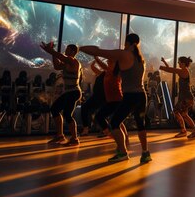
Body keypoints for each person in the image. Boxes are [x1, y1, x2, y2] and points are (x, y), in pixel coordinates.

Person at [80, 33, 151, 164]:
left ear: (127, 43)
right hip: (141, 96)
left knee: (114, 123)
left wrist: (80, 48)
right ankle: (146, 153)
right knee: (141, 125)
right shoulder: (140, 59)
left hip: (130, 96)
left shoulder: (124, 54)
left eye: (125, 43)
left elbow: (98, 51)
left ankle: (123, 152)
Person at [40, 42, 82, 146]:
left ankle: (75, 139)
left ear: (72, 51)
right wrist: (52, 53)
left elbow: (61, 57)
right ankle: (60, 136)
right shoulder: (66, 63)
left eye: (67, 49)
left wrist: (50, 50)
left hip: (74, 92)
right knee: (54, 109)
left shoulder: (73, 61)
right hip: (68, 92)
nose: (65, 51)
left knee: (67, 114)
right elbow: (57, 66)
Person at [160, 56, 195, 139]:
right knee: (184, 114)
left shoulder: (184, 71)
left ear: (183, 63)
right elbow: (171, 69)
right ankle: (193, 131)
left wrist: (161, 67)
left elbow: (171, 70)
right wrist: (164, 62)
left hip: (186, 98)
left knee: (176, 111)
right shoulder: (182, 71)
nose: (178, 63)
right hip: (185, 98)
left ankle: (184, 131)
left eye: (179, 62)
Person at [80, 57, 106, 136]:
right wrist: (97, 59)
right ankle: (87, 129)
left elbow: (92, 66)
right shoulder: (102, 73)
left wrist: (97, 59)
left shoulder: (108, 73)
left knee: (99, 114)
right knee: (86, 109)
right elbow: (92, 66)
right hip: (97, 96)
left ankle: (104, 130)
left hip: (102, 97)